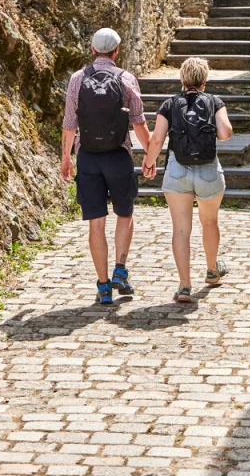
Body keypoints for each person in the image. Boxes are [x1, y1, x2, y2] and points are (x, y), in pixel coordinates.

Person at [61, 27, 153, 305]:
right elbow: (138, 123)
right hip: (118, 156)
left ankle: (103, 287)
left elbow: (69, 124)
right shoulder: (126, 79)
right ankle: (120, 271)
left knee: (96, 223)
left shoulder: (77, 79)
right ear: (116, 51)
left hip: (87, 157)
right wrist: (151, 155)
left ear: (92, 50)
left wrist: (66, 158)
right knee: (124, 215)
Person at [142, 56, 233, 303]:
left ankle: (184, 286)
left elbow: (158, 140)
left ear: (182, 79)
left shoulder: (170, 104)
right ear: (204, 80)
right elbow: (225, 133)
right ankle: (213, 271)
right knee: (210, 222)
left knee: (181, 230)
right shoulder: (214, 102)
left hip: (177, 170)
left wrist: (149, 163)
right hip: (208, 171)